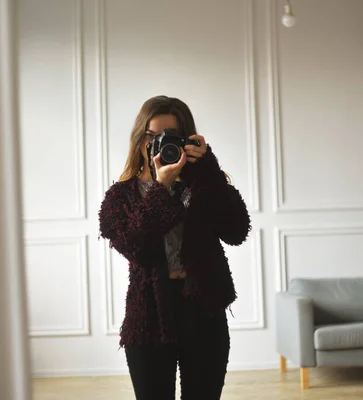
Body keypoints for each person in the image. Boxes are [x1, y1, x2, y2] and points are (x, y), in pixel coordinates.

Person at [98, 95, 251, 399]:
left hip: (204, 311)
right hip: (149, 317)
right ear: (140, 138)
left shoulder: (203, 184)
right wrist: (162, 188)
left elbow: (236, 230)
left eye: (171, 136)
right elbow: (135, 246)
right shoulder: (121, 196)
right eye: (152, 136)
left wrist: (206, 170)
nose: (158, 144)